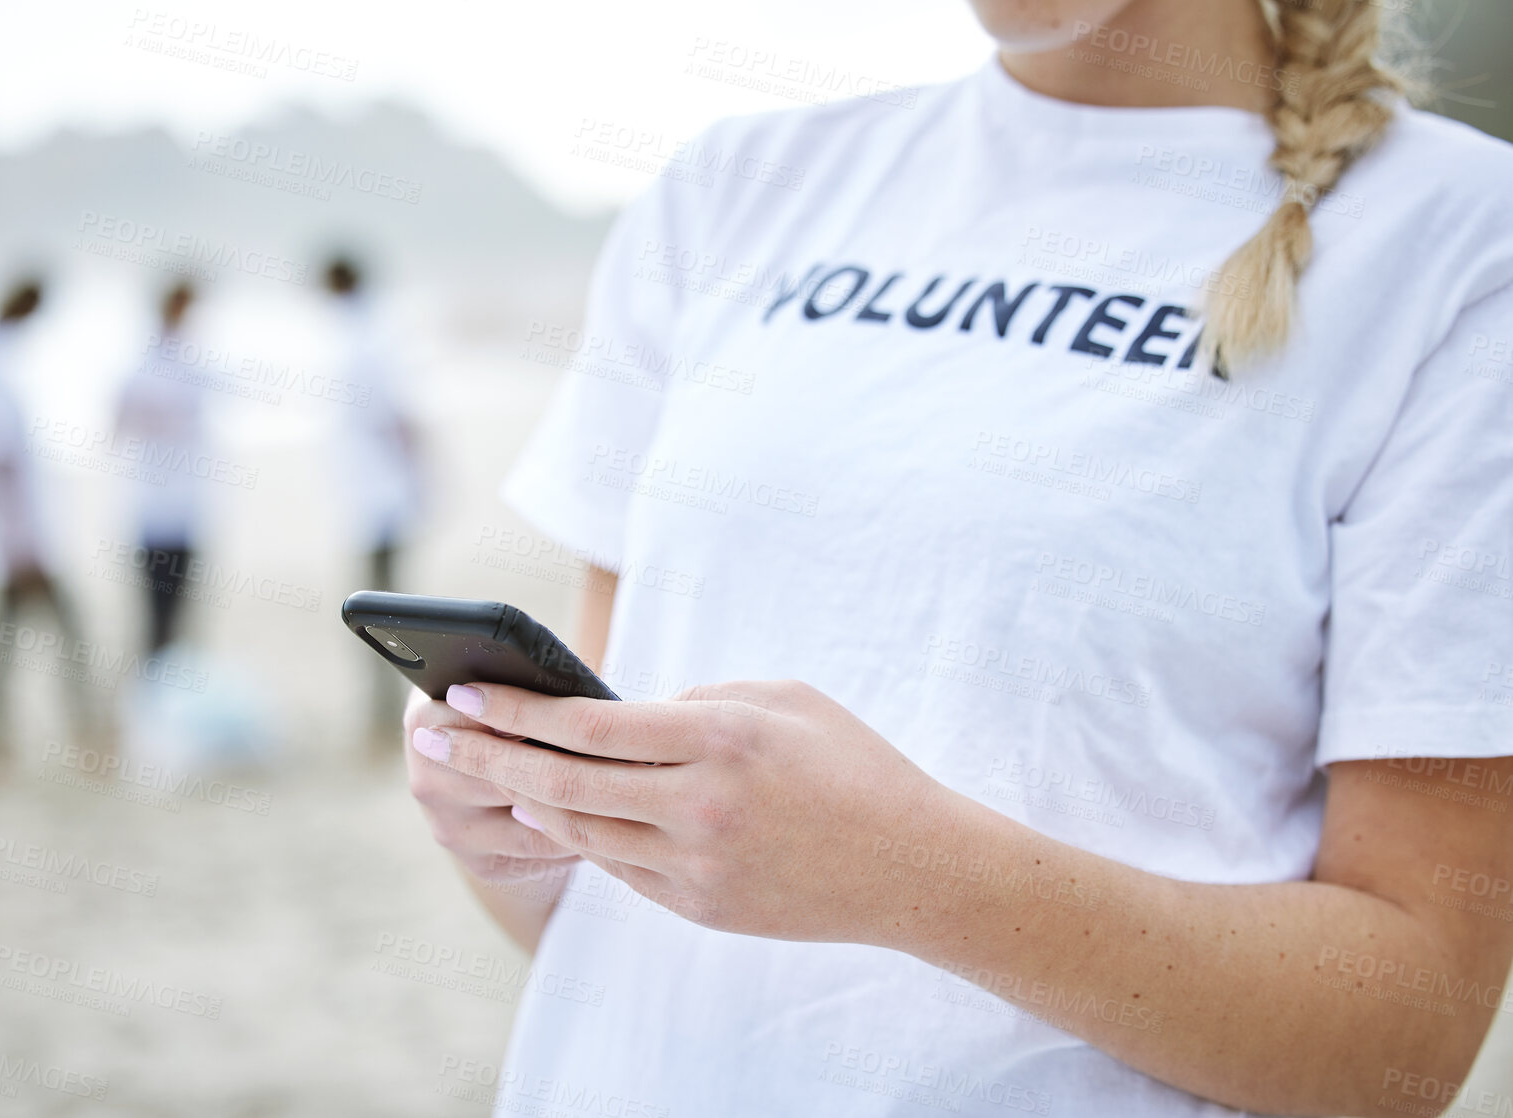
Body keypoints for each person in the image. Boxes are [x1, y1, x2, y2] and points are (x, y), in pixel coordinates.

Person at [404, 2, 1513, 1115]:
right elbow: (591, 922)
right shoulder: (739, 185)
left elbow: (1402, 1033)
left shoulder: (1460, 245)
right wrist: (519, 827)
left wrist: (914, 875)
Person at [0, 276, 92, 770]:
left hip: (18, 539)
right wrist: (20, 544)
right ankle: (80, 730)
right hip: (21, 543)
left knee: (6, 639)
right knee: (64, 634)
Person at [321, 253, 425, 747]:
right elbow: (398, 417)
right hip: (376, 496)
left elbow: (392, 418)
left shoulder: (354, 340)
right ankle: (385, 712)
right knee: (383, 610)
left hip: (374, 499)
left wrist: (416, 474)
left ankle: (389, 715)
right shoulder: (367, 335)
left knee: (378, 613)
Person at [115, 281, 205, 655]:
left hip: (179, 506)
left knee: (178, 610)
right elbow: (117, 427)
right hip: (155, 508)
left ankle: (166, 685)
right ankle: (154, 688)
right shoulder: (148, 367)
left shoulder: (186, 363)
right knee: (158, 610)